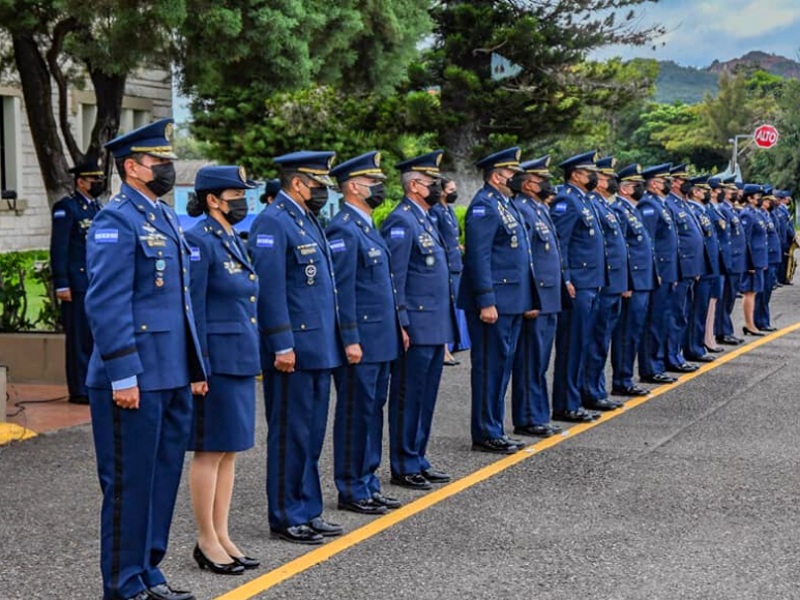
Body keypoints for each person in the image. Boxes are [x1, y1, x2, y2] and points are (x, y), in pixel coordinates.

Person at [85, 118, 207, 600]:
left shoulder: (160, 215)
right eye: (159, 162)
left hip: (169, 372)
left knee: (160, 480)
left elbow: (176, 302)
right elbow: (107, 302)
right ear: (133, 168)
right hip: (134, 375)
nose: (168, 169)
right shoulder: (116, 220)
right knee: (129, 484)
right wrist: (123, 374)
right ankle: (121, 582)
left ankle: (148, 570)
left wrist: (193, 369)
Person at [249, 150, 344, 544]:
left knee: (311, 433)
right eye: (318, 183)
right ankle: (287, 514)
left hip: (318, 345)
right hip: (293, 350)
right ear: (298, 183)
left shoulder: (306, 219)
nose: (322, 191)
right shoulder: (273, 222)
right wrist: (281, 344)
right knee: (290, 433)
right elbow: (269, 291)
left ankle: (308, 507)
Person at [184, 166, 261, 575]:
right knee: (210, 449)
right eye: (235, 194)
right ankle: (205, 539)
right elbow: (192, 309)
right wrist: (197, 367)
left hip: (239, 357)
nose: (241, 201)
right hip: (214, 362)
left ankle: (222, 533)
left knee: (229, 450)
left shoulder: (231, 237)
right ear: (213, 200)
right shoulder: (199, 241)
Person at [326, 151, 404, 514]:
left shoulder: (366, 224)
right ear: (354, 187)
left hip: (381, 338)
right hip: (362, 341)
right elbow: (343, 290)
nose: (379, 187)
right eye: (373, 182)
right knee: (356, 414)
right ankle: (352, 487)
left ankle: (368, 482)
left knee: (373, 411)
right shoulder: (342, 227)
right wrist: (351, 338)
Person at [381, 150, 457, 487]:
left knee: (426, 396)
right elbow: (395, 277)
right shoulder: (401, 220)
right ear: (414, 186)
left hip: (434, 323)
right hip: (416, 323)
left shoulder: (427, 217)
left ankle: (418, 456)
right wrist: (401, 321)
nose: (439, 188)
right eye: (432, 183)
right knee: (408, 397)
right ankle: (404, 464)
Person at [459, 147, 539, 453]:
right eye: (512, 174)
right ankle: (485, 432)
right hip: (495, 303)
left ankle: (495, 427)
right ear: (497, 176)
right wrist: (486, 301)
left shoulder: (507, 204)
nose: (517, 179)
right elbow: (478, 257)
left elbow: (522, 256)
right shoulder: (484, 206)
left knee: (502, 366)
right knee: (489, 368)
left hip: (512, 300)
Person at [509, 155, 565, 437]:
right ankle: (529, 417)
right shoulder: (522, 209)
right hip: (538, 297)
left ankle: (539, 413)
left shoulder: (538, 209)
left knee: (540, 360)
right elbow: (525, 259)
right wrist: (529, 297)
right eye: (542, 180)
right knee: (531, 360)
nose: (547, 185)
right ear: (529, 184)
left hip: (549, 296)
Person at [549, 151, 606, 423]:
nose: (594, 176)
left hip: (592, 282)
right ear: (575, 175)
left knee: (583, 343)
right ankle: (565, 403)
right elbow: (562, 243)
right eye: (589, 172)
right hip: (578, 284)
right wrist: (566, 277)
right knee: (571, 346)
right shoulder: (566, 200)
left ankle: (579, 395)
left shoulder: (585, 200)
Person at [50, 158, 105, 404]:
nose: (98, 183)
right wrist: (62, 282)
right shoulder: (67, 208)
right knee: (79, 338)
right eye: (94, 180)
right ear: (80, 182)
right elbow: (59, 248)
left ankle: (92, 383)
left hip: (96, 283)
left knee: (94, 337)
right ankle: (79, 389)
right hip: (77, 283)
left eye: (99, 180)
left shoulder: (97, 209)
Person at [581, 157, 627, 411]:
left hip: (611, 281)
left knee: (602, 339)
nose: (613, 182)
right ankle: (590, 390)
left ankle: (597, 388)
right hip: (602, 282)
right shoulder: (592, 205)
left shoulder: (605, 205)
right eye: (609, 177)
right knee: (595, 340)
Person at [610, 164, 654, 397]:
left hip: (642, 279)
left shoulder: (632, 209)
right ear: (625, 189)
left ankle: (626, 377)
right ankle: (622, 379)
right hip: (633, 281)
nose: (641, 189)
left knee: (634, 331)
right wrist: (626, 280)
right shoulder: (620, 209)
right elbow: (623, 249)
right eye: (637, 185)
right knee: (626, 333)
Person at [636, 164, 679, 385]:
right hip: (660, 271)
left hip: (668, 270)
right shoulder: (649, 205)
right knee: (654, 321)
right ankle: (650, 367)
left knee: (663, 319)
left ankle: (658, 363)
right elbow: (649, 240)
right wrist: (656, 270)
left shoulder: (661, 205)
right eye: (664, 181)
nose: (668, 184)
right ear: (653, 184)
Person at [663, 164, 704, 373]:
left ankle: (676, 354)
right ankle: (670, 356)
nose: (687, 182)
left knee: (682, 314)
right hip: (679, 269)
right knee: (674, 314)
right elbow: (674, 241)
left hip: (689, 269)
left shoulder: (683, 204)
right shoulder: (670, 204)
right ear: (675, 183)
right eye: (683, 179)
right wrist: (677, 269)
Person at [430, 176, 467, 365]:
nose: (454, 192)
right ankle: (444, 349)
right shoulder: (436, 212)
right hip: (445, 265)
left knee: (453, 304)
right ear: (442, 191)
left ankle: (453, 344)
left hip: (455, 264)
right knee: (445, 305)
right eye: (451, 189)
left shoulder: (449, 211)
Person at [685, 176, 720, 362]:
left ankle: (697, 346)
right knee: (696, 311)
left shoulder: (703, 210)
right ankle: (693, 348)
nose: (709, 192)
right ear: (696, 192)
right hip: (701, 268)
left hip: (708, 267)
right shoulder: (693, 210)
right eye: (705, 189)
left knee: (701, 310)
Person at [714, 177, 746, 345]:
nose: (735, 193)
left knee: (730, 297)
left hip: (737, 259)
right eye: (731, 190)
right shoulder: (723, 209)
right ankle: (722, 331)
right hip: (730, 259)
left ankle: (725, 329)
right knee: (725, 298)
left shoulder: (731, 209)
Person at [738, 184, 769, 336]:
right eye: (757, 196)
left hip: (759, 259)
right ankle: (749, 324)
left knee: (755, 291)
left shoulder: (757, 213)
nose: (760, 199)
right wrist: (749, 262)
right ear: (749, 198)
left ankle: (752, 323)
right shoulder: (747, 214)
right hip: (752, 260)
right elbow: (746, 240)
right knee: (749, 292)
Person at [754, 190, 781, 332]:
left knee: (767, 291)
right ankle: (759, 321)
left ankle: (763, 320)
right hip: (767, 257)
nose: (770, 203)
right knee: (762, 292)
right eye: (767, 200)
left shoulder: (767, 215)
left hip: (773, 257)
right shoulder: (759, 215)